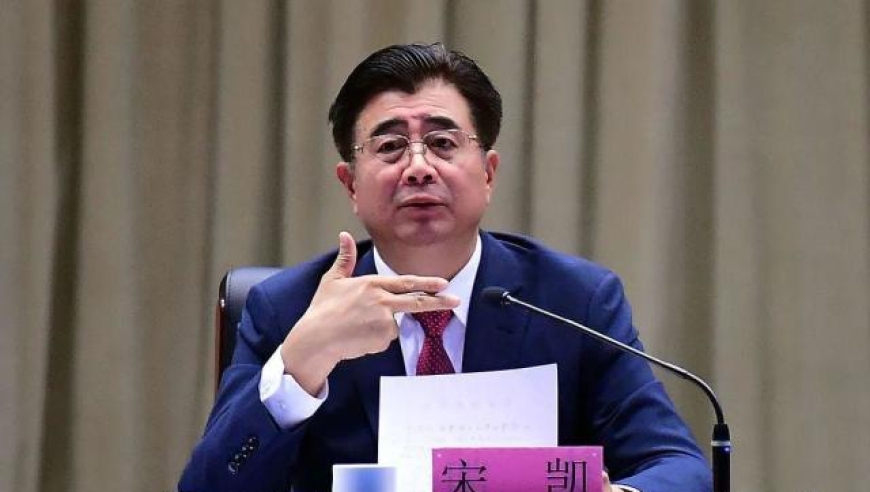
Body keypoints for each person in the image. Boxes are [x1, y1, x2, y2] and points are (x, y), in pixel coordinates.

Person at [178, 43, 711, 492]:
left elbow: (680, 468)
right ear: (351, 184)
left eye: (442, 143)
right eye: (390, 146)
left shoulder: (572, 301)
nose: (418, 167)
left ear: (488, 173)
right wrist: (302, 361)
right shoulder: (288, 309)